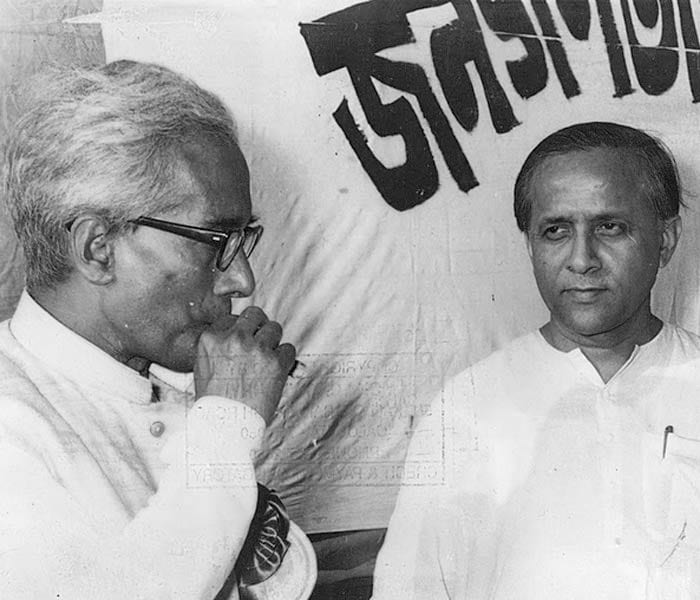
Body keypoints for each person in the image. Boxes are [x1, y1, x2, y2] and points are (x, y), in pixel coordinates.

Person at [0, 60, 315, 599]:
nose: (242, 280)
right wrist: (226, 429)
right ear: (98, 249)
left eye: (243, 241)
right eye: (215, 242)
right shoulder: (14, 426)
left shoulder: (170, 386)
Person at [372, 121, 700, 599]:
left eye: (610, 227)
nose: (582, 259)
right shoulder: (468, 407)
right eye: (556, 231)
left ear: (665, 240)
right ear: (530, 245)